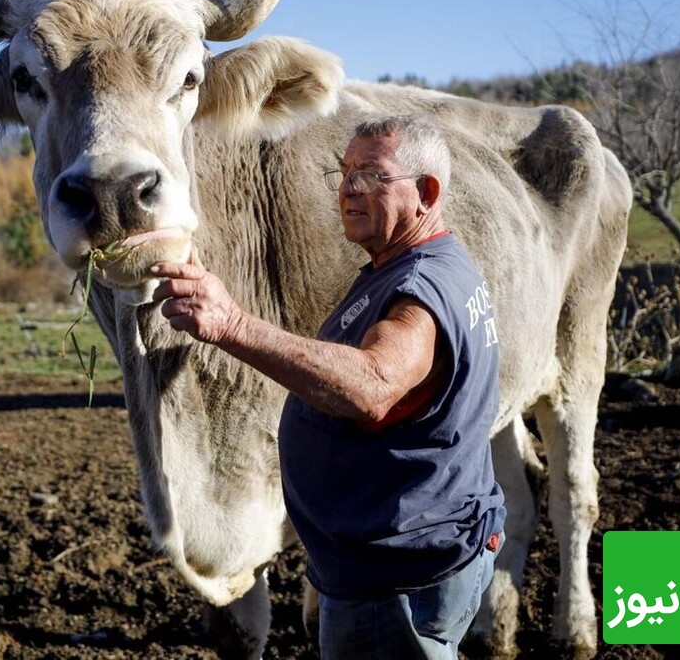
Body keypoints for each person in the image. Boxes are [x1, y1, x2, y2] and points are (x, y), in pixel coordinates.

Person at [150, 114, 505, 659]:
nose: (348, 190)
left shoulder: (419, 287)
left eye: (370, 175)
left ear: (426, 193)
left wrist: (231, 325)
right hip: (404, 557)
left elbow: (373, 384)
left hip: (396, 581)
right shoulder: (414, 262)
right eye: (343, 173)